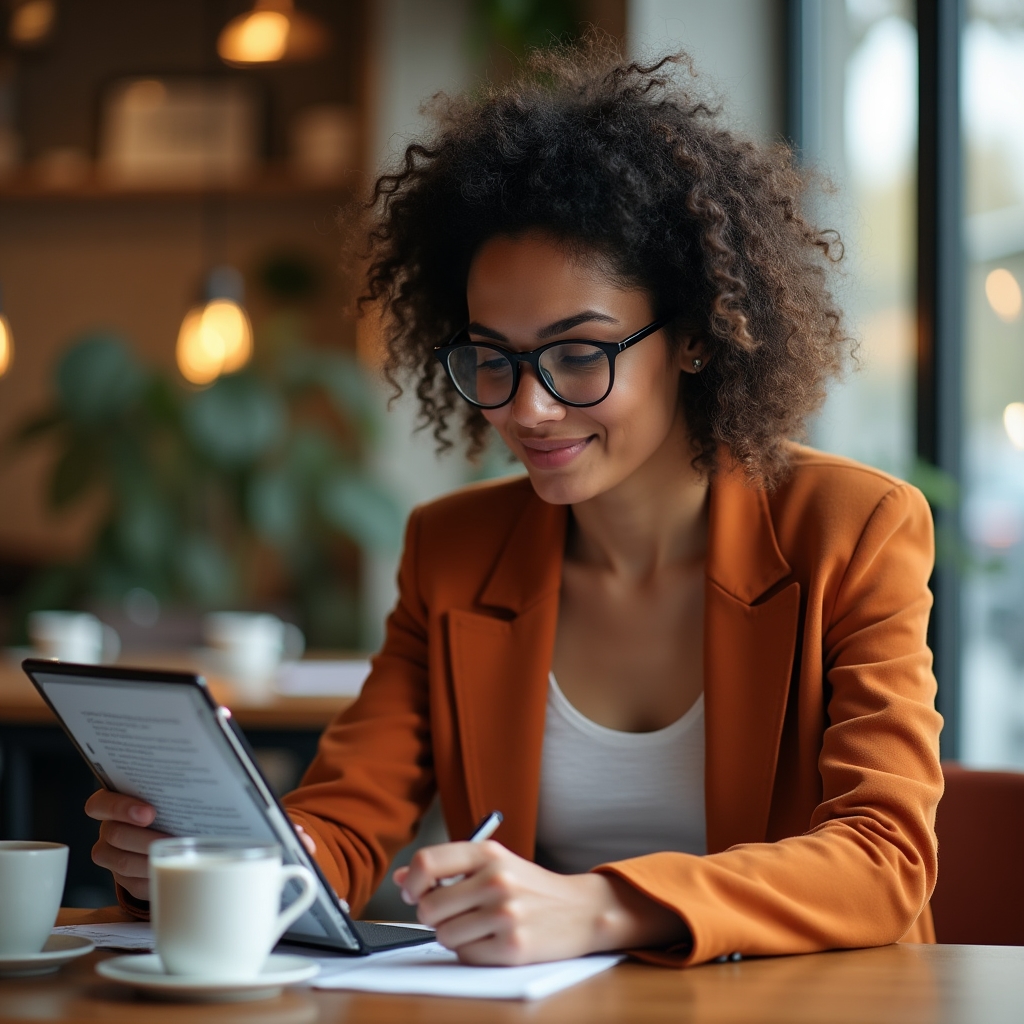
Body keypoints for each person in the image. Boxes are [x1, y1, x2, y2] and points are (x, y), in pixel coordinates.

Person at [85, 41, 943, 968]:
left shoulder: (850, 531)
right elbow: (345, 818)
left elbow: (884, 857)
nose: (525, 408)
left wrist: (604, 906)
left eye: (579, 354)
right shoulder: (453, 550)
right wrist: (215, 861)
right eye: (491, 356)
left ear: (692, 338)